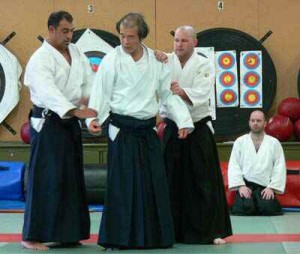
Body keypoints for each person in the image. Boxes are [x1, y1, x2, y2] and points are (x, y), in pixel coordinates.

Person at [87, 13, 194, 249]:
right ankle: (119, 237)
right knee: (122, 184)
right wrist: (93, 118)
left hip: (146, 129)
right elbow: (100, 92)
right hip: (121, 129)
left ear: (141, 36)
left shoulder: (156, 61)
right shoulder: (111, 60)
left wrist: (184, 120)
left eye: (131, 37)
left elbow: (167, 94)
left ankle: (154, 236)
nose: (125, 42)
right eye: (122, 36)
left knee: (152, 183)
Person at [21, 11, 97, 250]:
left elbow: (88, 85)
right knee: (45, 178)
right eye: (64, 31)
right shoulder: (40, 58)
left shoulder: (76, 52)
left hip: (70, 123)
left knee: (71, 178)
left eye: (71, 30)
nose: (69, 35)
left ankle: (69, 233)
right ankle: (31, 235)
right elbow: (47, 92)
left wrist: (91, 113)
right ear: (51, 29)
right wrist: (74, 111)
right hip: (48, 123)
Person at [159, 25, 232, 245]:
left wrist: (181, 91)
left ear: (194, 43)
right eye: (176, 40)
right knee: (170, 180)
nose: (178, 45)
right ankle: (170, 231)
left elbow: (201, 93)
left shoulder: (205, 64)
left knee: (203, 181)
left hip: (198, 128)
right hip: (172, 128)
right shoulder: (165, 61)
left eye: (183, 41)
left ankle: (209, 230)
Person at [228, 110, 286, 216]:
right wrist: (240, 186)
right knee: (244, 209)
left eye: (259, 121)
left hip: (265, 187)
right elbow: (234, 165)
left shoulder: (274, 143)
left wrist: (271, 188)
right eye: (253, 120)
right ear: (249, 122)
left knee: (269, 209)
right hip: (246, 187)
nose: (255, 123)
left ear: (265, 123)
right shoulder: (240, 142)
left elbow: (279, 167)